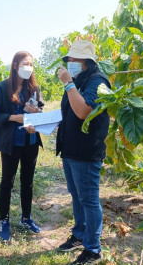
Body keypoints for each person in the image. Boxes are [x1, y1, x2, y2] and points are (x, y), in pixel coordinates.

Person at [56, 40, 111, 265]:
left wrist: (68, 84)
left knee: (88, 200)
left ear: (86, 62)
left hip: (86, 153)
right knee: (77, 196)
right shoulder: (79, 80)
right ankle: (79, 235)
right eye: (68, 60)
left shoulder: (97, 82)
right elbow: (68, 111)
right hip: (71, 150)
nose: (69, 63)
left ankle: (93, 249)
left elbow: (82, 111)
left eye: (73, 60)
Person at [0, 51, 43, 241]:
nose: (29, 67)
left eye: (31, 64)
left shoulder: (34, 88)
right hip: (11, 143)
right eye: (25, 64)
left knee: (27, 181)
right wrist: (13, 117)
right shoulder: (1, 88)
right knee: (7, 182)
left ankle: (26, 218)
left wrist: (36, 112)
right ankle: (4, 220)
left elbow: (40, 111)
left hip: (30, 142)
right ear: (15, 65)